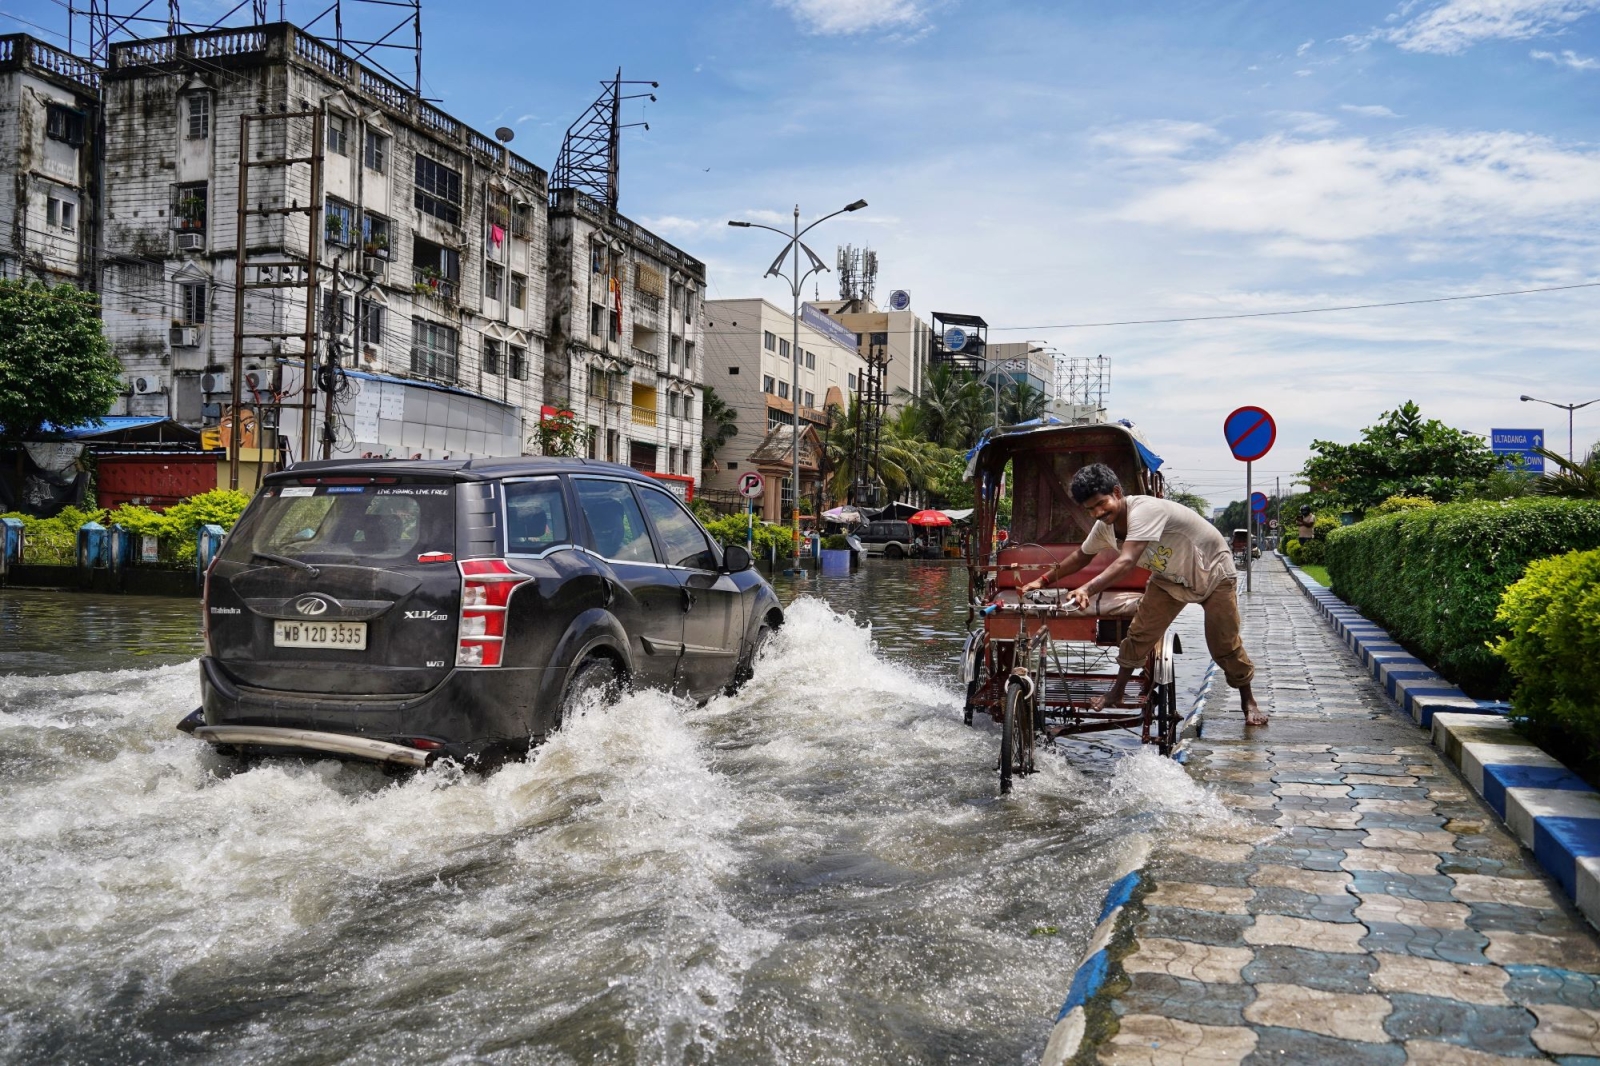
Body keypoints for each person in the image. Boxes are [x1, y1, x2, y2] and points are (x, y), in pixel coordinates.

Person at [1019, 464, 1265, 727]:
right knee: (1140, 633)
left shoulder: (1144, 510)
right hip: (1170, 578)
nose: (1098, 513)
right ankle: (1116, 692)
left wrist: (1087, 589)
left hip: (1214, 572)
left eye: (1102, 504)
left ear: (1117, 492)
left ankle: (1248, 700)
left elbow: (1126, 561)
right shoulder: (1104, 526)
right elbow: (1081, 555)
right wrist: (1042, 580)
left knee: (1223, 644)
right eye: (1090, 509)